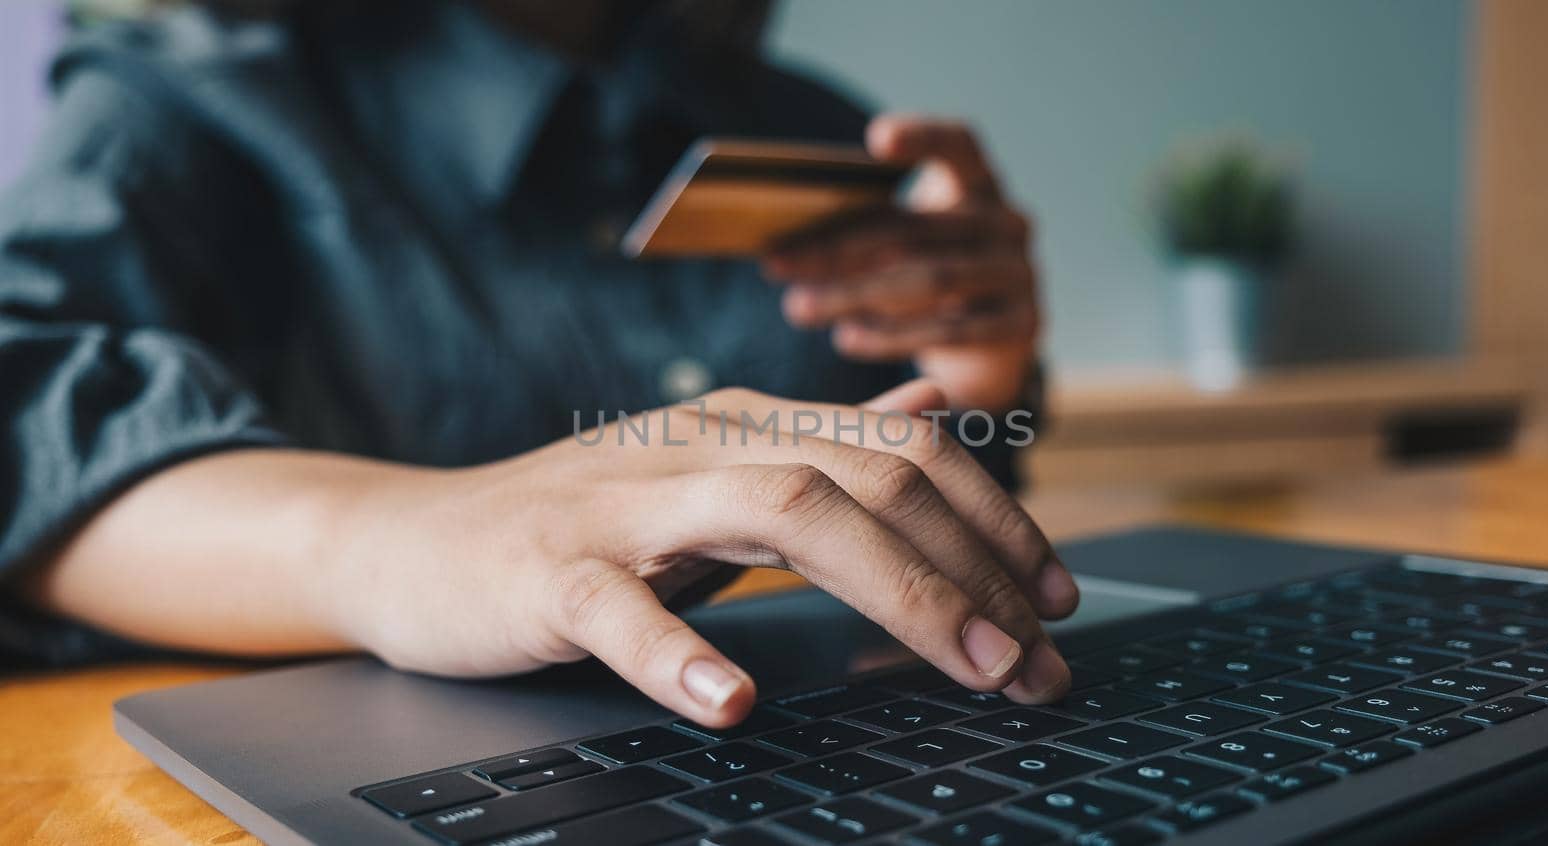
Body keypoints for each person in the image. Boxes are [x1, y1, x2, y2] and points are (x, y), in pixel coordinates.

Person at [0, 0, 1076, 727]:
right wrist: (394, 541)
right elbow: (25, 429)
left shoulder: (814, 124)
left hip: (853, 751)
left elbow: (898, 509)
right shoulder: (188, 97)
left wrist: (979, 390)